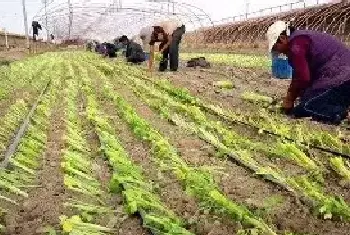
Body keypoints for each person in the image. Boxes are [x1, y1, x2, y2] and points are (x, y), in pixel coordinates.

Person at [267, 20, 350, 124]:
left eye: (275, 47)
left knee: (305, 108)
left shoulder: (296, 46)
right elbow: (301, 74)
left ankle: (341, 113)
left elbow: (303, 77)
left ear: (282, 39)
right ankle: (339, 103)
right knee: (307, 98)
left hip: (341, 79)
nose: (277, 51)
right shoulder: (302, 38)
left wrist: (289, 99)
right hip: (341, 78)